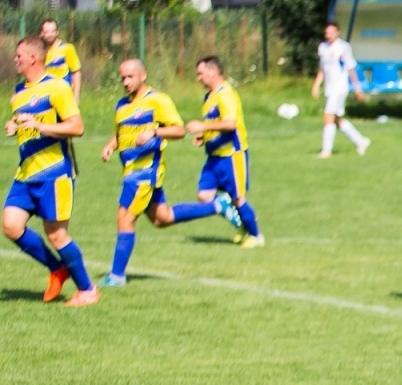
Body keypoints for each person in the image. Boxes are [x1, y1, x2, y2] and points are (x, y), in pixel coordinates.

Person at [4, 36, 96, 305]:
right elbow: (27, 124)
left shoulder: (57, 87)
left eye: (19, 55)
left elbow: (76, 127)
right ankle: (57, 269)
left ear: (33, 58)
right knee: (10, 225)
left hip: (54, 173)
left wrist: (38, 125)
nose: (15, 59)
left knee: (56, 234)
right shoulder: (19, 92)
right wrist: (15, 127)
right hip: (26, 173)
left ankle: (88, 290)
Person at [98, 59, 185, 287]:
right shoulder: (121, 105)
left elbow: (179, 130)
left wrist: (155, 131)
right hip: (129, 170)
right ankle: (218, 205)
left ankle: (117, 276)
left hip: (146, 172)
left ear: (143, 75)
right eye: (123, 78)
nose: (126, 82)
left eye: (130, 77)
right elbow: (122, 133)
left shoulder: (158, 100)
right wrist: (111, 145)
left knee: (125, 218)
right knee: (162, 218)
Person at [170, 56, 262, 247]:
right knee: (204, 195)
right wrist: (203, 136)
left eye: (200, 73)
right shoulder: (209, 96)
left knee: (238, 198)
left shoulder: (225, 93)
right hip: (214, 156)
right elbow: (215, 124)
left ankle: (256, 236)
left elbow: (230, 124)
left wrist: (202, 127)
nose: (198, 78)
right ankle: (240, 222)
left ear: (213, 72)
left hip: (231, 154)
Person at [312, 21, 370, 158]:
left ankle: (326, 151)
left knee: (328, 116)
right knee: (336, 119)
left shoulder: (343, 47)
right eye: (326, 32)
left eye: (331, 32)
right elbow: (322, 69)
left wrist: (357, 88)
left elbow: (351, 68)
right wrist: (316, 85)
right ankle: (361, 141)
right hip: (329, 88)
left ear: (337, 32)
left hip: (339, 88)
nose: (328, 35)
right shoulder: (322, 47)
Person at [38, 18, 81, 99]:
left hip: (64, 95)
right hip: (46, 97)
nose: (50, 34)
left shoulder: (67, 48)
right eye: (47, 32)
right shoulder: (39, 51)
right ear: (41, 33)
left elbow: (76, 72)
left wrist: (76, 96)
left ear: (57, 32)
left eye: (53, 31)